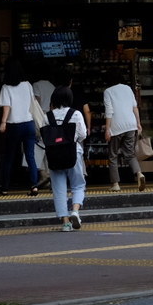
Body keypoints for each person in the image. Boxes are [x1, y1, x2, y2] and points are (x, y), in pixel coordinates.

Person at [41, 85, 88, 232]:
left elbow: (44, 137)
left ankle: (66, 222)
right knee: (78, 185)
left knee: (59, 189)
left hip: (54, 156)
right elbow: (83, 135)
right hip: (73, 153)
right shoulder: (76, 114)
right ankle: (75, 210)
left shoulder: (47, 116)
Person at [0, 59, 40, 195]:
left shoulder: (6, 88)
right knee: (30, 156)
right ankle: (34, 185)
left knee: (8, 156)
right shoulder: (27, 85)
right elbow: (33, 103)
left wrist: (3, 122)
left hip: (14, 125)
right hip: (29, 124)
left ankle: (4, 187)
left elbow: (7, 107)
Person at [101, 71, 146, 193]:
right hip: (131, 124)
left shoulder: (108, 92)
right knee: (130, 154)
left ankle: (116, 184)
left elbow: (109, 111)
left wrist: (108, 129)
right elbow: (134, 107)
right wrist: (138, 123)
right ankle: (139, 173)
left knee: (113, 155)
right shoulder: (127, 88)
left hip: (116, 127)